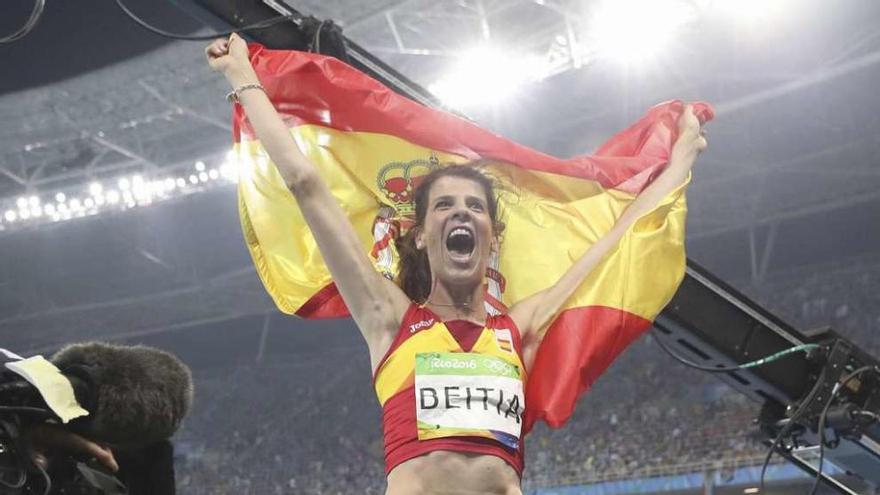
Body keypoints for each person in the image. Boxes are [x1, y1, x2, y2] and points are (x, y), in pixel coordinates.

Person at [206, 33, 706, 495]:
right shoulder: (388, 318)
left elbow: (616, 240)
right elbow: (305, 184)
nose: (462, 212)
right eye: (444, 205)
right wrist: (241, 78)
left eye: (476, 207)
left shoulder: (521, 329)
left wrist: (680, 158)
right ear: (420, 235)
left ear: (492, 237)